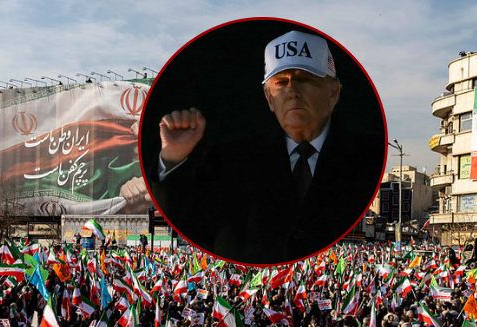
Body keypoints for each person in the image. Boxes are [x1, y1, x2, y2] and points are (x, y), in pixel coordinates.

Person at [149, 29, 384, 264]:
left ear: (333, 94)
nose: (292, 91)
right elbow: (187, 224)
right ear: (269, 98)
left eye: (305, 79)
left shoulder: (369, 161)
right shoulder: (229, 165)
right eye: (281, 82)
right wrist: (172, 159)